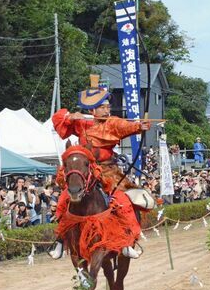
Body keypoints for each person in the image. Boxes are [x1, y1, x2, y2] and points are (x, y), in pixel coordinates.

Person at [51, 74, 151, 259]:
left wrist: (139, 126)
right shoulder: (82, 123)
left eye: (108, 107)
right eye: (102, 107)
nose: (107, 110)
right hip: (84, 169)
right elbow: (57, 120)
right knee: (66, 196)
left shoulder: (111, 123)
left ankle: (127, 242)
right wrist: (69, 116)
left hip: (107, 171)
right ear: (93, 110)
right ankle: (59, 239)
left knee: (121, 199)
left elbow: (125, 126)